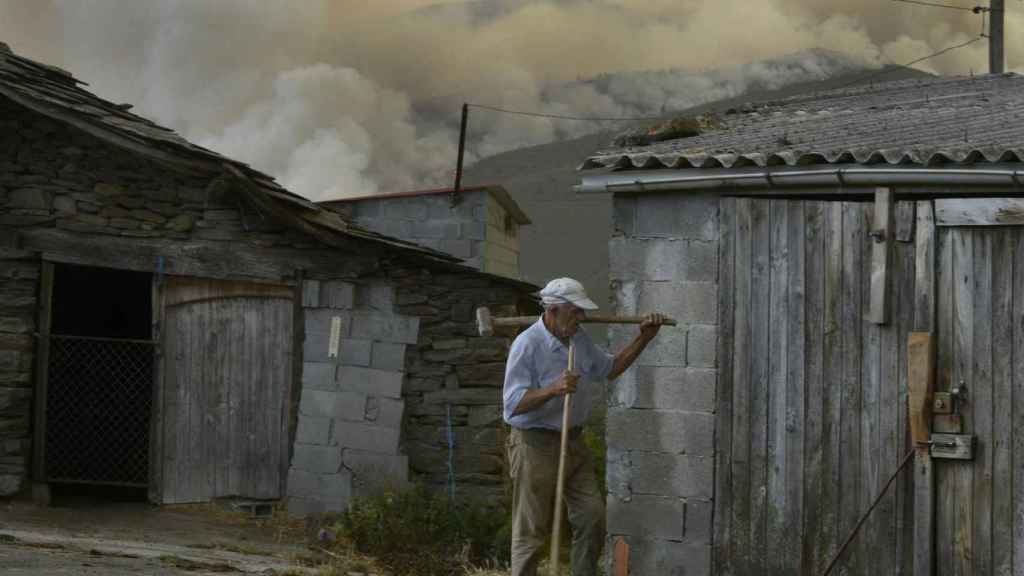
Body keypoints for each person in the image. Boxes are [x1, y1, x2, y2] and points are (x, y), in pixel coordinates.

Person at [503, 277, 666, 576]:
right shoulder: (526, 344)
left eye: (581, 312)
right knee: (531, 531)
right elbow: (512, 404)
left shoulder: (577, 339)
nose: (581, 318)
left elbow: (610, 369)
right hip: (534, 444)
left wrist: (644, 338)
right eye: (574, 311)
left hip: (574, 442)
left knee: (592, 518)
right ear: (552, 311)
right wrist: (553, 388)